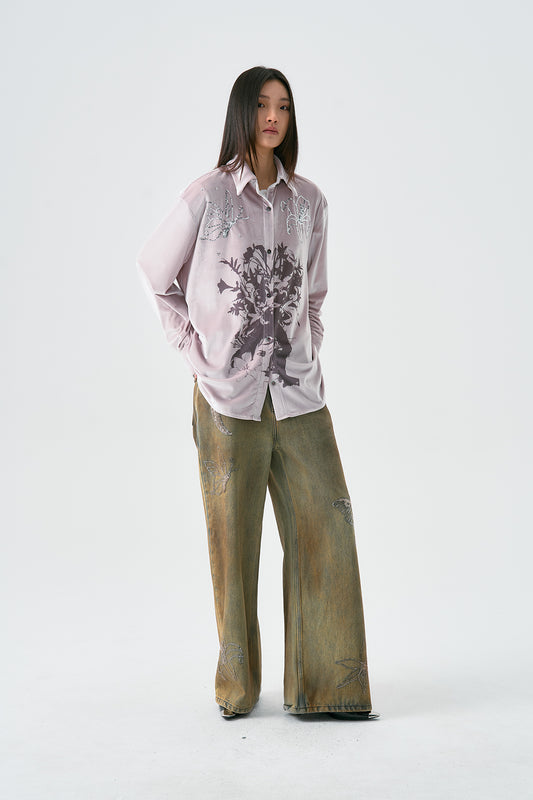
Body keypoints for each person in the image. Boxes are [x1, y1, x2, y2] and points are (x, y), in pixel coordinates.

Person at [136, 66, 379, 721]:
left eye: (285, 107)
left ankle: (327, 689)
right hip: (227, 397)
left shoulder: (310, 203)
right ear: (243, 112)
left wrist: (306, 349)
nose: (274, 117)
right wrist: (196, 353)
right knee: (233, 546)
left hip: (299, 396)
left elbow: (315, 294)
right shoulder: (208, 196)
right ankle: (237, 689)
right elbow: (155, 274)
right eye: (264, 105)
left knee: (327, 523)